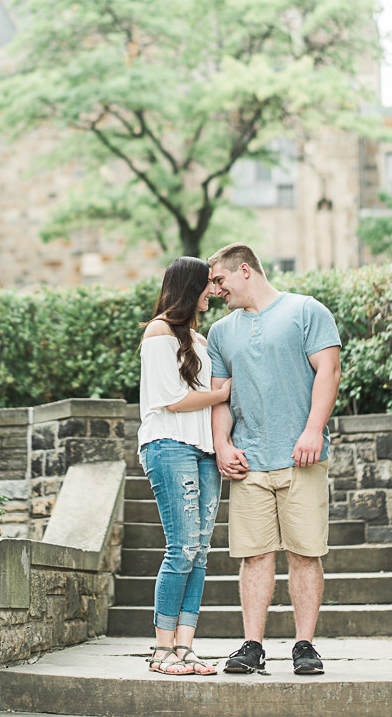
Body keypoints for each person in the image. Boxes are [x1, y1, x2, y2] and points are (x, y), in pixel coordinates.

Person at [207, 243, 341, 677]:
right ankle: (252, 645)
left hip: (301, 456)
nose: (215, 290)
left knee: (305, 553)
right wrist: (222, 444)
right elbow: (221, 395)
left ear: (244, 270)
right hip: (250, 462)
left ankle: (305, 646)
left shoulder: (306, 311)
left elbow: (329, 370)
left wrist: (312, 430)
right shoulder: (221, 333)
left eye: (220, 280)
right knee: (254, 556)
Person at [138, 256, 233, 676]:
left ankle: (185, 648)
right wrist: (225, 392)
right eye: (207, 284)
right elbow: (173, 400)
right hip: (168, 446)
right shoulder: (159, 331)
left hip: (204, 451)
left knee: (200, 553)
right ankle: (160, 651)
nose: (213, 291)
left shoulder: (201, 339)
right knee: (180, 549)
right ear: (188, 286)